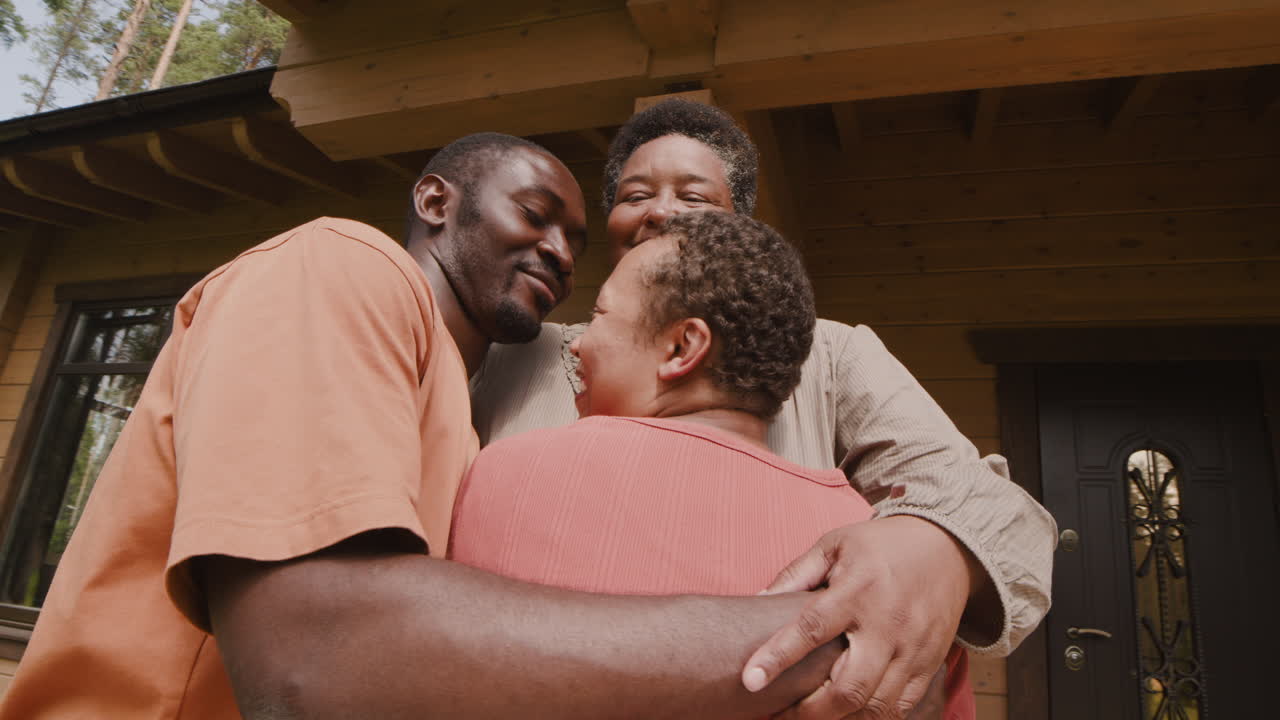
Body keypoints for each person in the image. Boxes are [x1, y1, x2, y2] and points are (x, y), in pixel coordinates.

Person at [0, 133, 846, 719]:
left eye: (575, 239)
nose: (559, 250)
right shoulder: (340, 265)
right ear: (436, 200)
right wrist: (819, 632)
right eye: (536, 213)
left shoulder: (456, 398)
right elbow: (313, 656)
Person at [470, 99, 1058, 717]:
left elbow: (1001, 515)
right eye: (635, 193)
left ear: (738, 223)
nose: (662, 211)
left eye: (693, 196)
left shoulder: (827, 354)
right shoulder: (525, 352)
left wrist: (939, 549)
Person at [452, 210, 976, 720]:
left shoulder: (504, 476)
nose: (579, 344)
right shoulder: (902, 583)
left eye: (600, 316)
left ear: (683, 346)